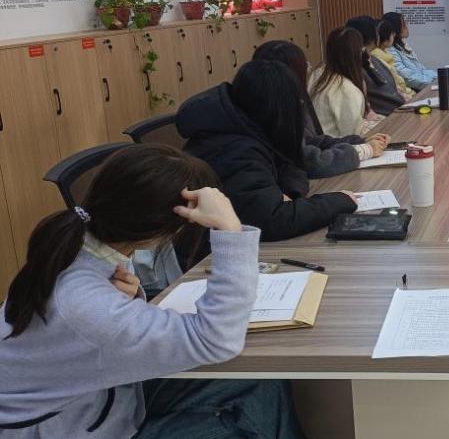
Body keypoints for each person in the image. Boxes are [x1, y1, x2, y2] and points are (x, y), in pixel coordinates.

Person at [0, 144, 305, 438]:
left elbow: (92, 333)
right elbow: (217, 341)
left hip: (96, 403)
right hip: (75, 426)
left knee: (261, 381)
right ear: (159, 234)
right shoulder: (86, 302)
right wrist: (230, 232)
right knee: (234, 426)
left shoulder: (73, 251)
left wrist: (130, 302)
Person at [177, 60, 357, 242]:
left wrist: (289, 193)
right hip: (209, 253)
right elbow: (272, 220)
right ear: (279, 108)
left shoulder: (249, 127)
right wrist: (340, 201)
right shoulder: (235, 149)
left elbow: (291, 165)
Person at [253, 40, 388, 177]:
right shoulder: (274, 114)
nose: (307, 70)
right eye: (304, 66)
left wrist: (359, 141)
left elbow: (312, 140)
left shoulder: (286, 100)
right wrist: (364, 150)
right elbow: (311, 162)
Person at [310, 27, 383, 139]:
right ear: (358, 53)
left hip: (319, 142)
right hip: (337, 145)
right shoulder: (347, 90)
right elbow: (352, 135)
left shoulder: (317, 74)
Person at [345, 15, 407, 116]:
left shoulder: (372, 58)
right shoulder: (357, 65)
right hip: (388, 115)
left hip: (399, 109)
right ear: (373, 35)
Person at [383, 11, 437, 91]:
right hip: (412, 90)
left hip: (421, 86)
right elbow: (408, 78)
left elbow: (421, 70)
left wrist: (438, 77)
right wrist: (434, 83)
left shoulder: (402, 45)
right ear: (395, 29)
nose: (407, 27)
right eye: (404, 25)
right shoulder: (390, 51)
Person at [371, 16, 415, 100]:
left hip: (407, 94)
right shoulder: (379, 59)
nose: (394, 35)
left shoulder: (386, 54)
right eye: (391, 33)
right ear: (384, 38)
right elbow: (397, 86)